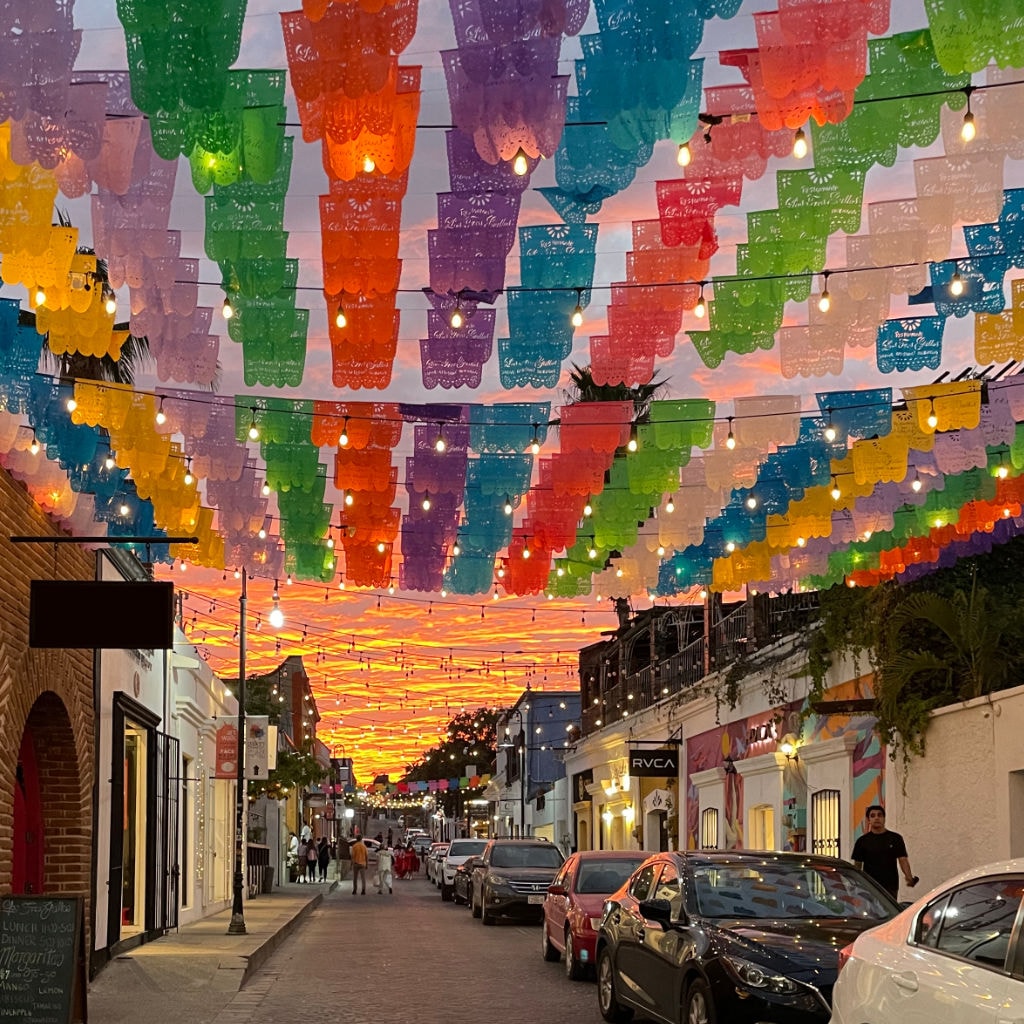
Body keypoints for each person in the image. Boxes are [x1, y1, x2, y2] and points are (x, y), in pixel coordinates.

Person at [852, 804, 917, 900]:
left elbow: (902, 859)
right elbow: (857, 865)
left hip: (890, 885)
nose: (876, 818)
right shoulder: (862, 841)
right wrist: (856, 884)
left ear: (884, 818)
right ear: (869, 820)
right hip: (870, 885)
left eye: (879, 815)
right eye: (873, 816)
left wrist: (909, 877)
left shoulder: (895, 838)